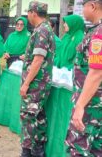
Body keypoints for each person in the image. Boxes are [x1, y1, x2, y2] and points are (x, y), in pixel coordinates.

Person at [65, 0, 102, 156]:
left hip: (90, 104)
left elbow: (96, 73)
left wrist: (80, 106)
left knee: (78, 148)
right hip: (95, 103)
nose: (82, 10)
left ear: (93, 6)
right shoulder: (94, 30)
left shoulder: (98, 34)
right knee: (95, 150)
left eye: (84, 6)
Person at [45, 14, 85, 156]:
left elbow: (77, 58)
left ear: (74, 24)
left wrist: (68, 68)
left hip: (70, 78)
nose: (64, 26)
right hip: (59, 76)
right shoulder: (66, 37)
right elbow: (59, 54)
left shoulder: (80, 37)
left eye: (66, 23)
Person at [20, 1, 55, 157]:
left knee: (29, 117)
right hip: (40, 82)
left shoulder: (42, 31)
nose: (27, 15)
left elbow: (38, 60)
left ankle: (28, 152)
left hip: (36, 84)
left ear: (33, 13)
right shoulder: (45, 29)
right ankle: (37, 151)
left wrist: (26, 83)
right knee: (38, 116)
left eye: (28, 12)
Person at [0, 16, 30, 133]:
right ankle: (4, 117)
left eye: (22, 24)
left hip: (20, 67)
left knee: (16, 93)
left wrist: (25, 56)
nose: (19, 26)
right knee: (6, 91)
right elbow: (4, 48)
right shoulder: (11, 36)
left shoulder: (29, 36)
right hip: (10, 65)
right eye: (17, 24)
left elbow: (31, 51)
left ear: (25, 25)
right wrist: (5, 53)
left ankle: (14, 120)